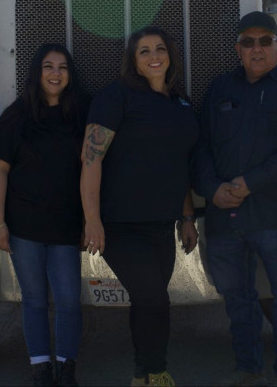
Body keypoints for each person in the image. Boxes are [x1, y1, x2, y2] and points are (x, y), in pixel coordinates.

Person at [192, 11, 277, 386]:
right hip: (225, 219)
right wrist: (212, 189)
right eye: (248, 42)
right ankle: (248, 367)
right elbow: (200, 148)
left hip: (273, 216)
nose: (257, 49)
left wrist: (250, 183)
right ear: (238, 49)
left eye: (265, 41)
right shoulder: (219, 89)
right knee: (237, 299)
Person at [81, 26, 199, 387]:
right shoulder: (116, 97)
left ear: (170, 55)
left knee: (145, 302)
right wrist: (93, 221)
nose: (154, 56)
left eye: (160, 49)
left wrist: (187, 217)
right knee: (154, 299)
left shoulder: (180, 102)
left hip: (162, 225)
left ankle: (140, 375)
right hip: (120, 225)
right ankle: (158, 372)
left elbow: (179, 164)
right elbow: (90, 160)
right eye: (144, 51)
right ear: (133, 60)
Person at [0, 44, 89, 386]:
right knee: (33, 300)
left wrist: (91, 219)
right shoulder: (16, 116)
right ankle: (40, 368)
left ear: (70, 74)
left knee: (68, 301)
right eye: (48, 66)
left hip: (65, 225)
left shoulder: (81, 113)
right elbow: (0, 170)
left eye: (62, 67)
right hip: (23, 226)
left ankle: (65, 367)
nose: (55, 73)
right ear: (37, 72)